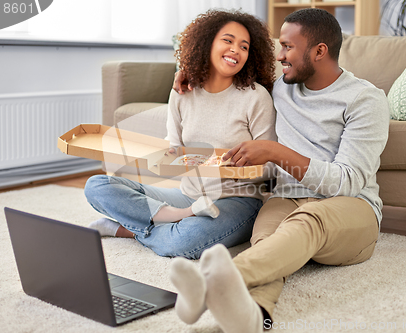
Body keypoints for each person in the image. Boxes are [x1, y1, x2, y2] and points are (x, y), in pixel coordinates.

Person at [169, 8, 390, 333]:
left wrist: (275, 152)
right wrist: (187, 70)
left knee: (306, 222)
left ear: (319, 51)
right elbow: (227, 73)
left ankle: (207, 283)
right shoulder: (283, 87)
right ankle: (254, 317)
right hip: (285, 200)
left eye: (287, 47)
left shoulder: (364, 100)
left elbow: (347, 181)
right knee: (268, 246)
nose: (279, 55)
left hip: (352, 208)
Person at [84, 9, 277, 259]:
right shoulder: (183, 90)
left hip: (237, 201)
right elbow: (174, 150)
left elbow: (272, 167)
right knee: (97, 185)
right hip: (188, 196)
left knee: (185, 241)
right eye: (227, 41)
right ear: (207, 43)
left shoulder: (255, 97)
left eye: (244, 46)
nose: (235, 50)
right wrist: (162, 157)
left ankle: (126, 229)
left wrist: (233, 168)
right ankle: (176, 217)